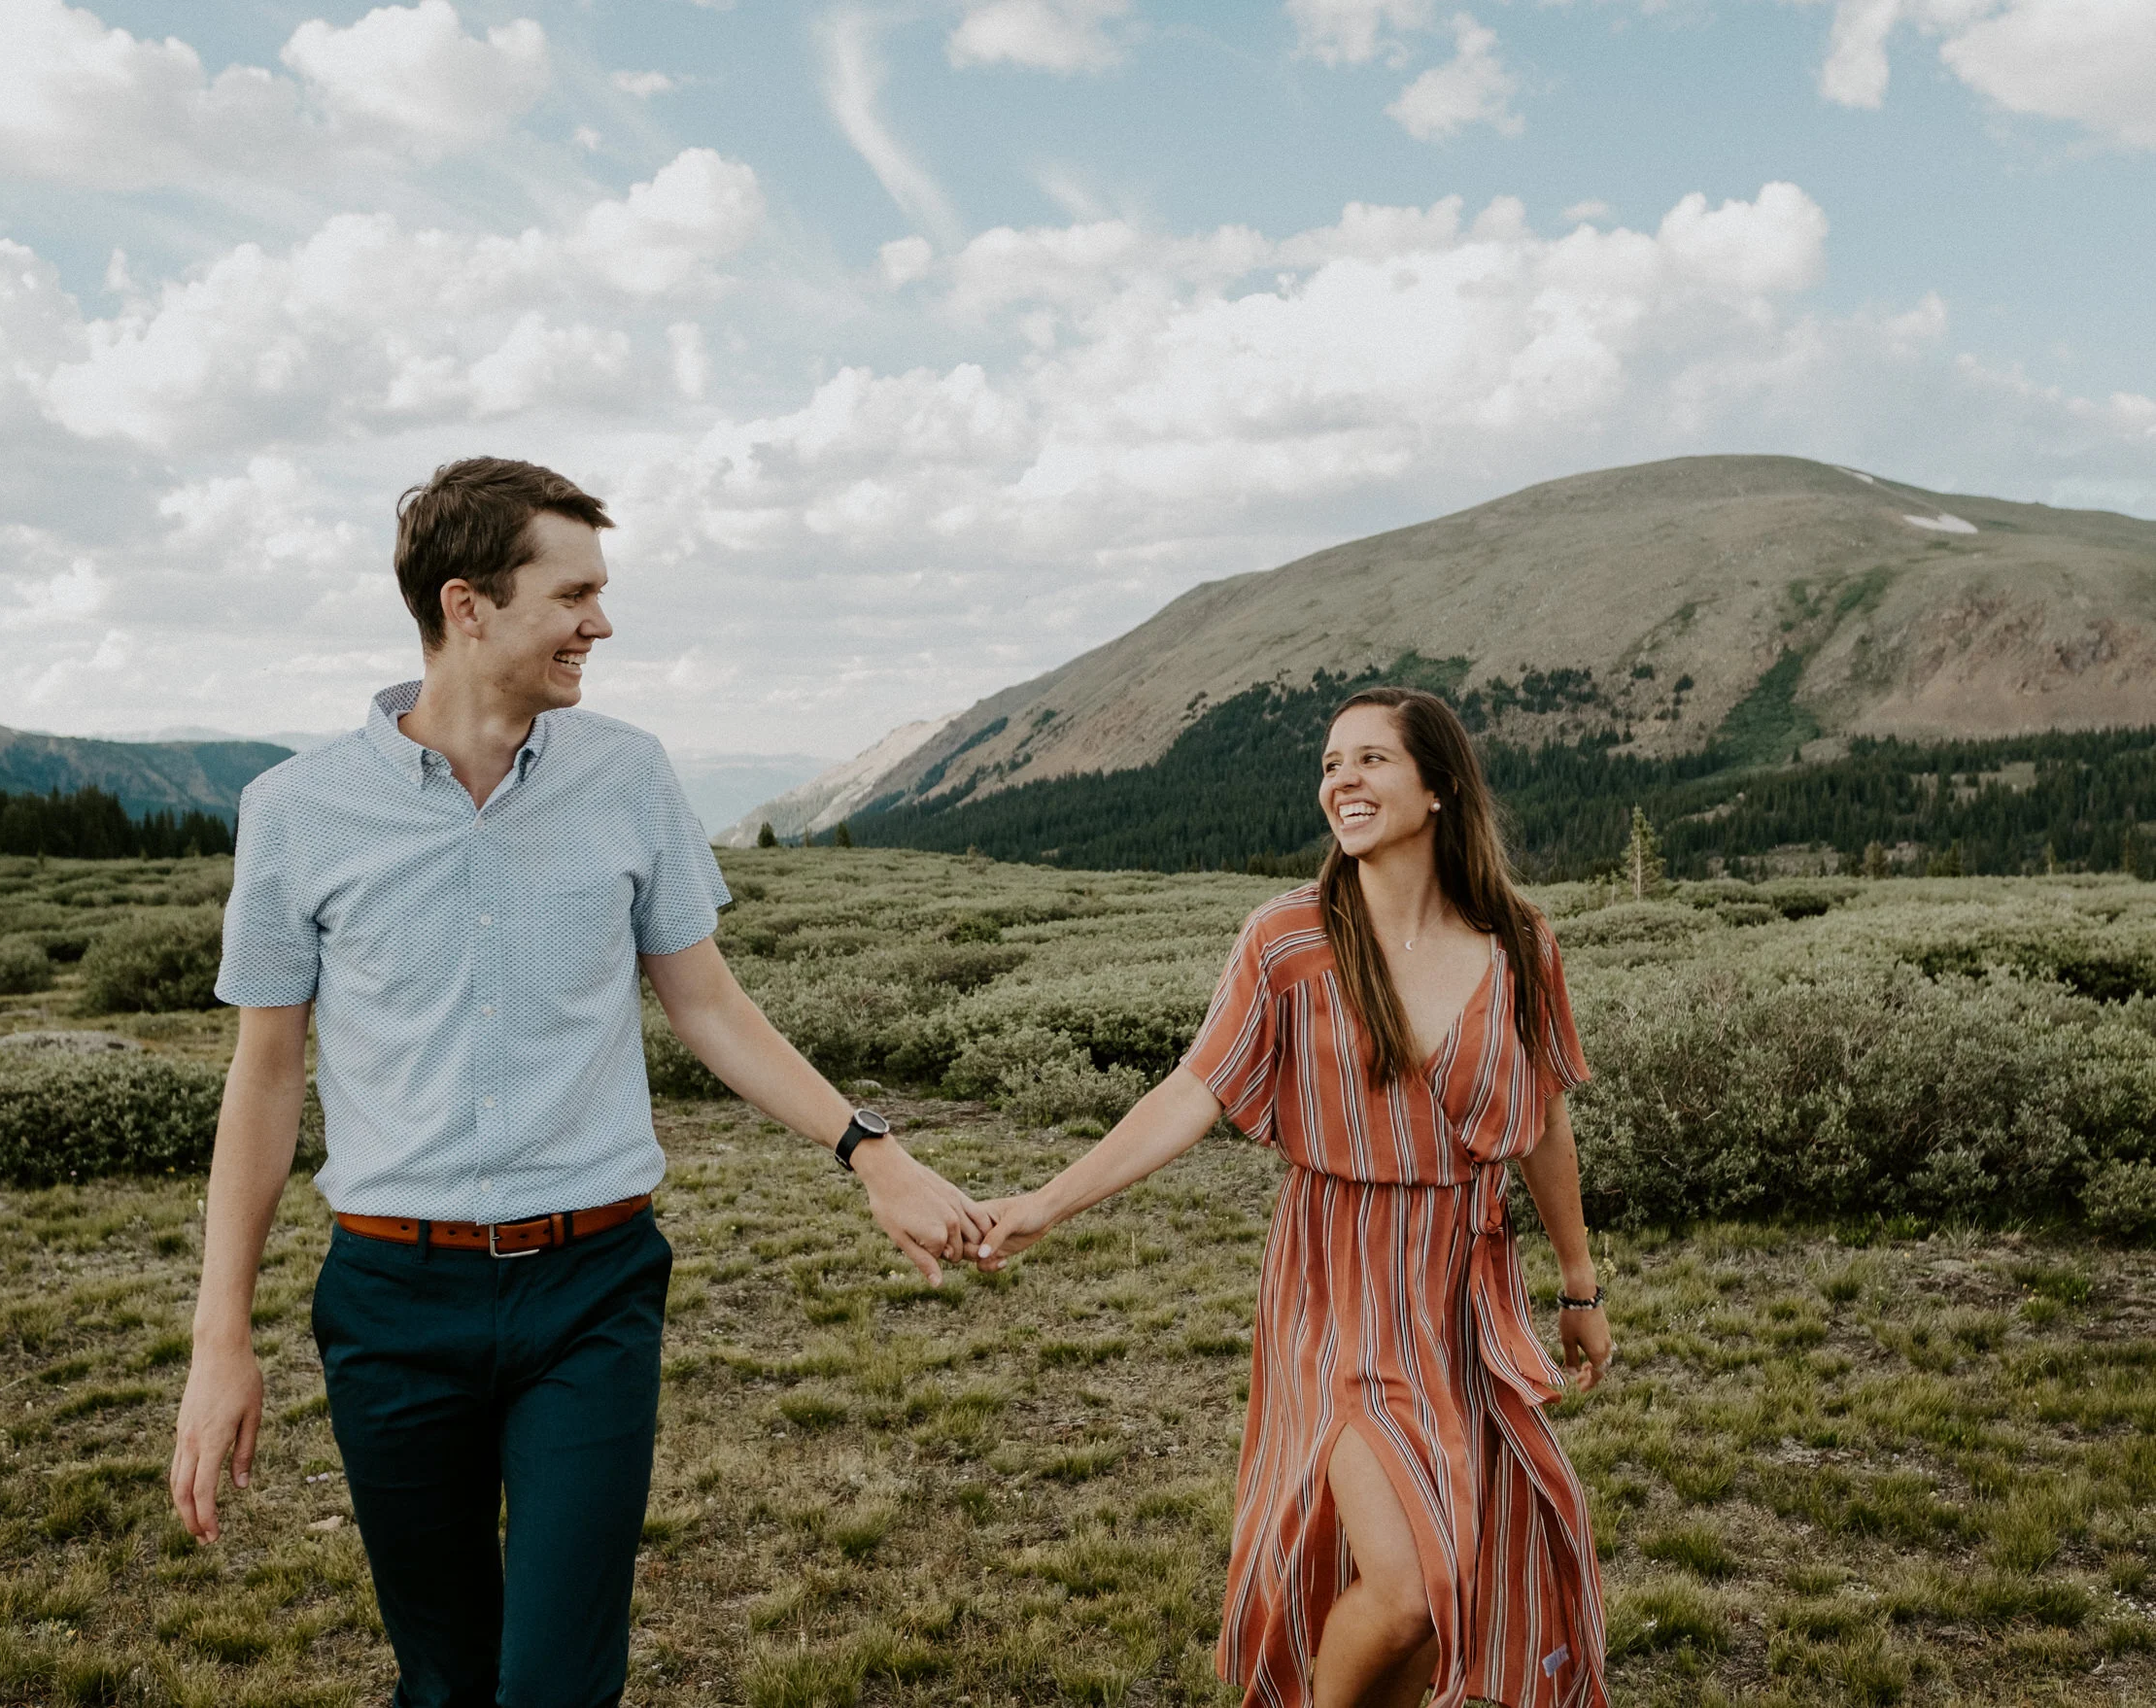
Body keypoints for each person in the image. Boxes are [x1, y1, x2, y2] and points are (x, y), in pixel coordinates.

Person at [167, 457, 991, 1708]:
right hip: (390, 1302)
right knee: (443, 1680)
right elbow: (266, 1079)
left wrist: (870, 1150)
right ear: (468, 607)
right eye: (575, 594)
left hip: (592, 1291)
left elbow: (708, 1004)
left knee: (557, 1684)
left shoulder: (629, 773)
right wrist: (218, 1335)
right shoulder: (294, 812)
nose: (600, 624)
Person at [975, 685, 1615, 1708]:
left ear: (1440, 786)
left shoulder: (1520, 945)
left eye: (1369, 760)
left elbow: (1538, 1121)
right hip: (1338, 1282)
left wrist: (1578, 1285)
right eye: (1329, 765)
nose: (1341, 782)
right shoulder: (1288, 939)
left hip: (1462, 1288)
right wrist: (1049, 1202)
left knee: (1446, 1595)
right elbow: (1194, 1090)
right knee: (1411, 1591)